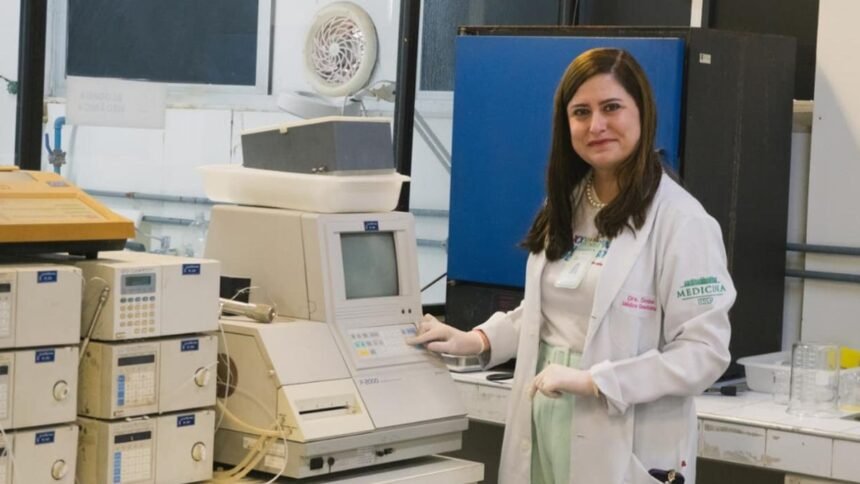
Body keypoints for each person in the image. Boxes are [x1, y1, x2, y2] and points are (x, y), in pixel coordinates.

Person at [408, 48, 734, 484]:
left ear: (643, 113)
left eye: (611, 107)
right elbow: (547, 311)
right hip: (544, 423)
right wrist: (478, 339)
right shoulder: (568, 203)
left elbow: (704, 353)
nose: (596, 125)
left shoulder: (682, 221)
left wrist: (599, 381)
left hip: (622, 438)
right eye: (581, 112)